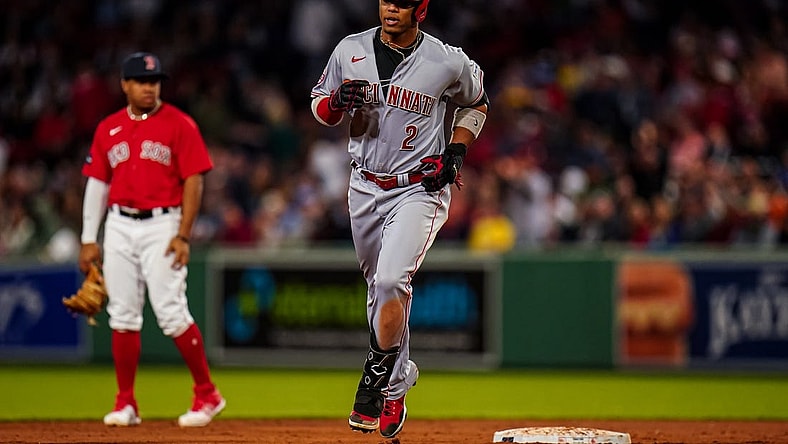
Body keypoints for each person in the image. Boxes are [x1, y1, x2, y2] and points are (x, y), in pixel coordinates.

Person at [310, 0, 488, 438]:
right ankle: (396, 383)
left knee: (391, 280)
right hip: (364, 186)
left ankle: (373, 385)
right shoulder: (349, 50)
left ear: (420, 10)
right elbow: (319, 107)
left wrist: (458, 150)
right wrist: (334, 102)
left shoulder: (446, 60)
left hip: (418, 187)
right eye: (386, 0)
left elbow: (477, 103)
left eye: (402, 3)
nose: (391, 9)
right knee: (380, 292)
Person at [78, 52, 225, 427]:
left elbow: (195, 179)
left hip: (163, 223)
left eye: (155, 80)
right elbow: (97, 183)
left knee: (171, 312)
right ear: (124, 84)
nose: (149, 86)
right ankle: (126, 402)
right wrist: (87, 238)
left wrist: (183, 235)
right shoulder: (107, 128)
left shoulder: (180, 124)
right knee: (122, 315)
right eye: (142, 81)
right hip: (118, 225)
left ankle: (207, 395)